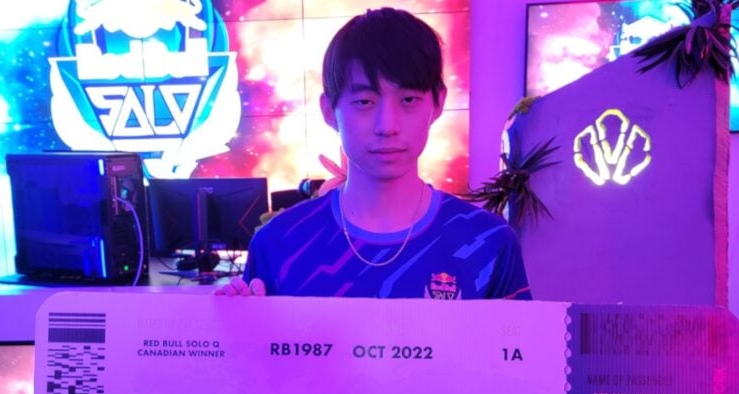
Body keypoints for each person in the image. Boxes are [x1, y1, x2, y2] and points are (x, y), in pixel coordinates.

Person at [216, 7, 530, 300]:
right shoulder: (278, 244)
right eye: (364, 102)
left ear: (437, 103)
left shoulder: (488, 243)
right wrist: (236, 328)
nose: (387, 126)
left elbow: (517, 343)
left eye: (409, 100)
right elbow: (257, 341)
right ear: (329, 111)